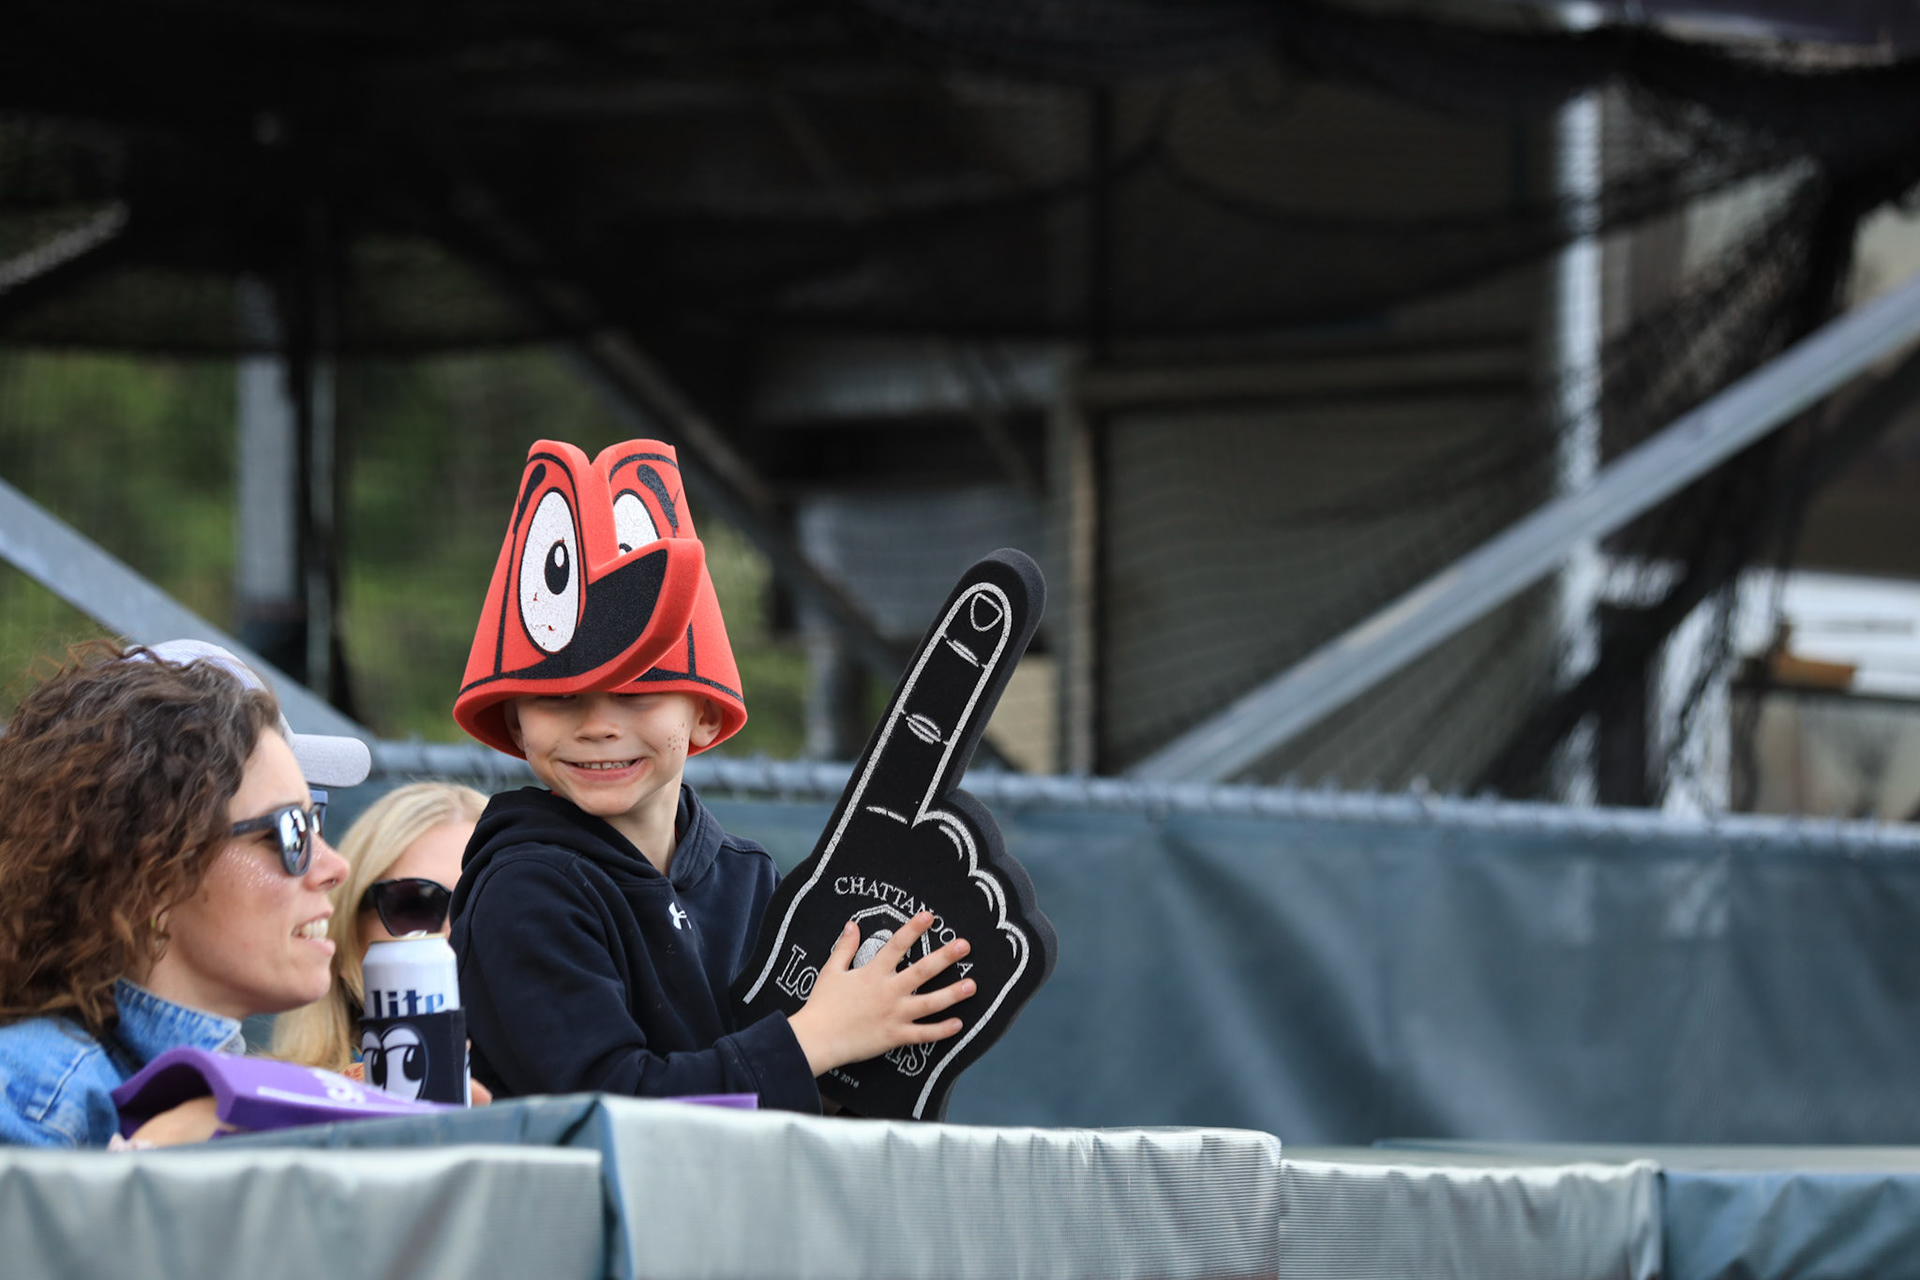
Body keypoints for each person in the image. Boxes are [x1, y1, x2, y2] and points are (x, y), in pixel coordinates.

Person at [449, 439, 974, 1111]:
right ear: (517, 724)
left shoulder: (747, 877)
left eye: (637, 692)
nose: (597, 725)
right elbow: (611, 1108)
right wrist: (815, 1039)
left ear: (703, 717)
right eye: (557, 697)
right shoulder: (524, 890)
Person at [0, 642, 363, 1147]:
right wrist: (147, 1172)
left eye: (316, 819)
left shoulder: (222, 1089)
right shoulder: (33, 1090)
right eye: (290, 830)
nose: (335, 866)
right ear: (152, 875)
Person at [271, 782, 488, 1076]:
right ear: (346, 935)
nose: (453, 937)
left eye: (486, 905)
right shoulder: (272, 1104)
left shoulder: (568, 1088)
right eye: (414, 907)